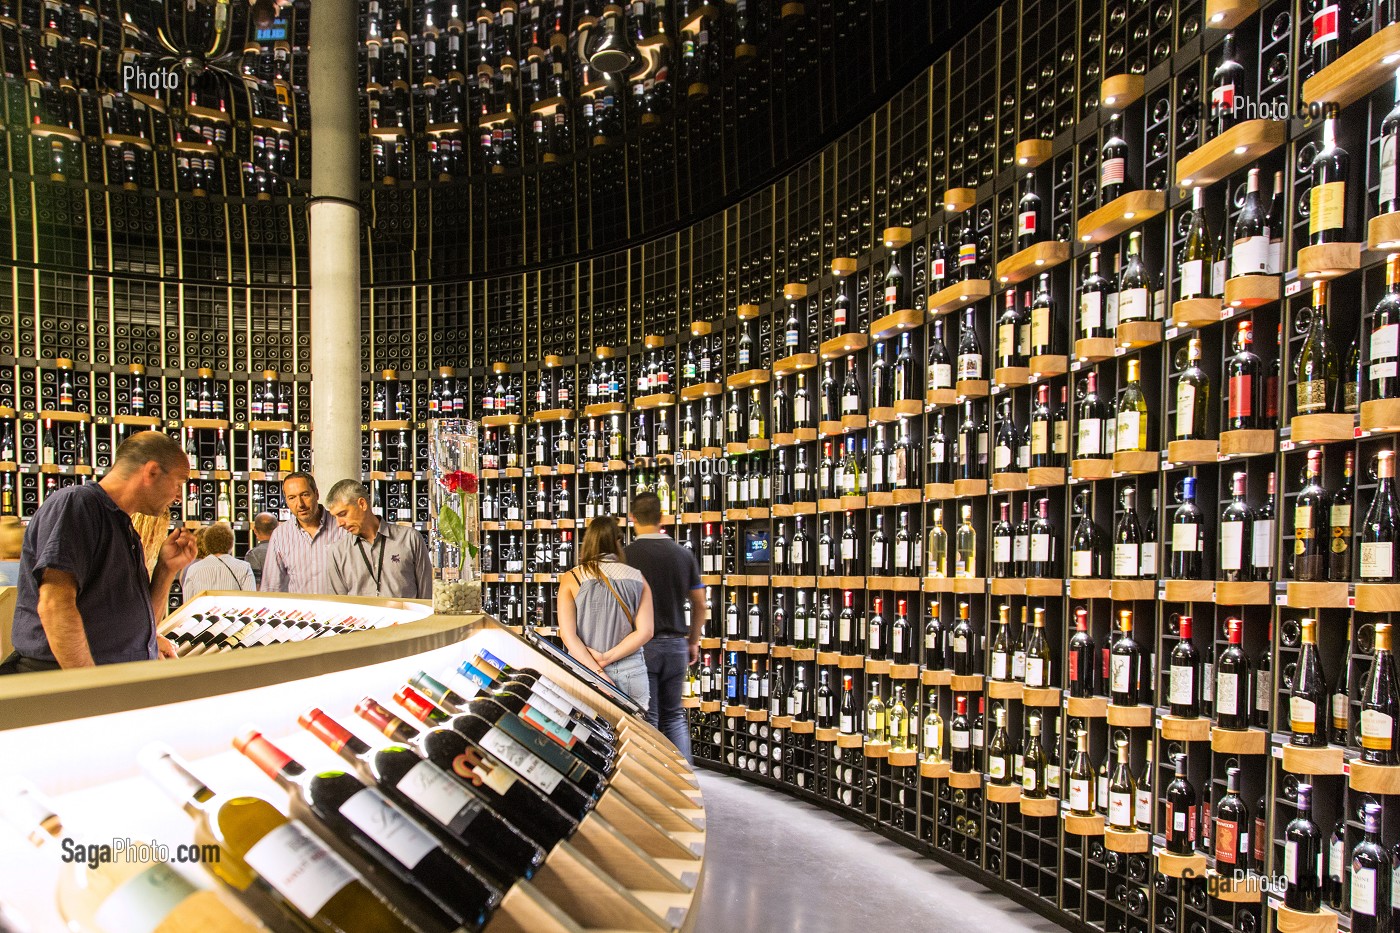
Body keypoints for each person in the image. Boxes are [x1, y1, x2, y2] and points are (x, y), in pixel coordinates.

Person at [2, 431, 197, 671]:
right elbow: (55, 605)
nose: (179, 496)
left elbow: (142, 626)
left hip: (107, 681)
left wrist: (166, 570)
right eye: (179, 483)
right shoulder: (78, 505)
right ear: (152, 472)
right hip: (64, 683)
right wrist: (91, 689)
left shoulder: (124, 526)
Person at [624, 492, 705, 762]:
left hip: (642, 645)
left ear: (632, 518)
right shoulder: (683, 555)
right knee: (675, 716)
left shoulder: (626, 556)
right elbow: (700, 603)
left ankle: (654, 788)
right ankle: (687, 783)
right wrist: (692, 641)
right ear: (662, 518)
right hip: (676, 645)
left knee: (650, 716)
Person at [556, 516, 654, 706]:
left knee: (586, 734)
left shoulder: (571, 578)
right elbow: (646, 631)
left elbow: (568, 636)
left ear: (589, 540)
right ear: (617, 542)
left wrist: (597, 671)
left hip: (585, 670)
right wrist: (607, 657)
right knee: (635, 734)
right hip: (632, 671)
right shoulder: (638, 578)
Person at [324, 479, 432, 599]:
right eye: (335, 517)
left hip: (407, 618)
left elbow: (426, 595)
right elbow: (339, 605)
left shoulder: (410, 539)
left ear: (362, 504)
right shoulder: (337, 552)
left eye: (342, 514)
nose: (339, 524)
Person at [260, 472, 346, 594]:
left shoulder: (343, 527)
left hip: (338, 611)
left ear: (316, 494)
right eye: (292, 498)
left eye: (305, 495)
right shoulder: (280, 535)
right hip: (299, 612)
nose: (300, 504)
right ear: (286, 500)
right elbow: (271, 587)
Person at [180, 522, 257, 597]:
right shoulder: (244, 568)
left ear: (206, 544)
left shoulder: (193, 569)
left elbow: (188, 604)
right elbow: (250, 600)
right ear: (231, 544)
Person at [244, 512, 278, 586]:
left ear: (255, 530)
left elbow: (254, 586)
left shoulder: (253, 555)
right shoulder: (288, 551)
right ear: (277, 528)